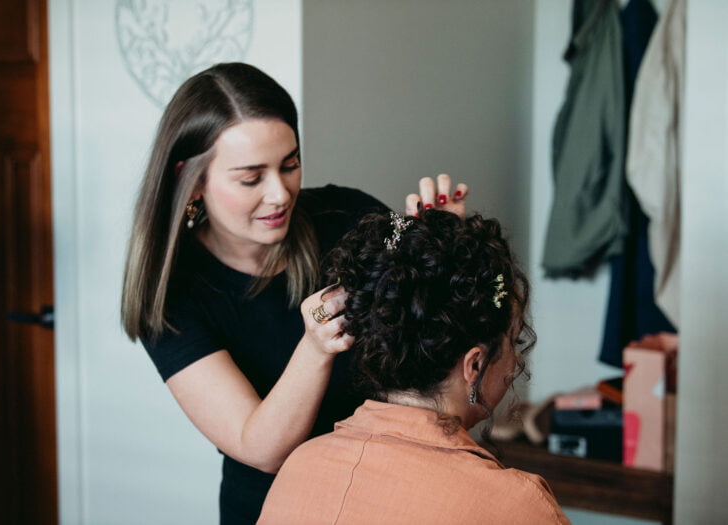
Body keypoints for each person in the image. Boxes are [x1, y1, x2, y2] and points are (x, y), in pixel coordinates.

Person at [120, 62, 468, 524]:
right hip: (274, 510)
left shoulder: (347, 215)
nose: (280, 194)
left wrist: (444, 244)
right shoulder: (173, 297)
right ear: (193, 181)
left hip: (387, 496)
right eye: (251, 178)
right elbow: (260, 449)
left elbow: (441, 334)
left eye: (290, 165)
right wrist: (315, 346)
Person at [258, 210, 571, 524]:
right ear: (474, 365)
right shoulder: (516, 506)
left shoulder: (299, 468)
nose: (514, 361)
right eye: (513, 341)